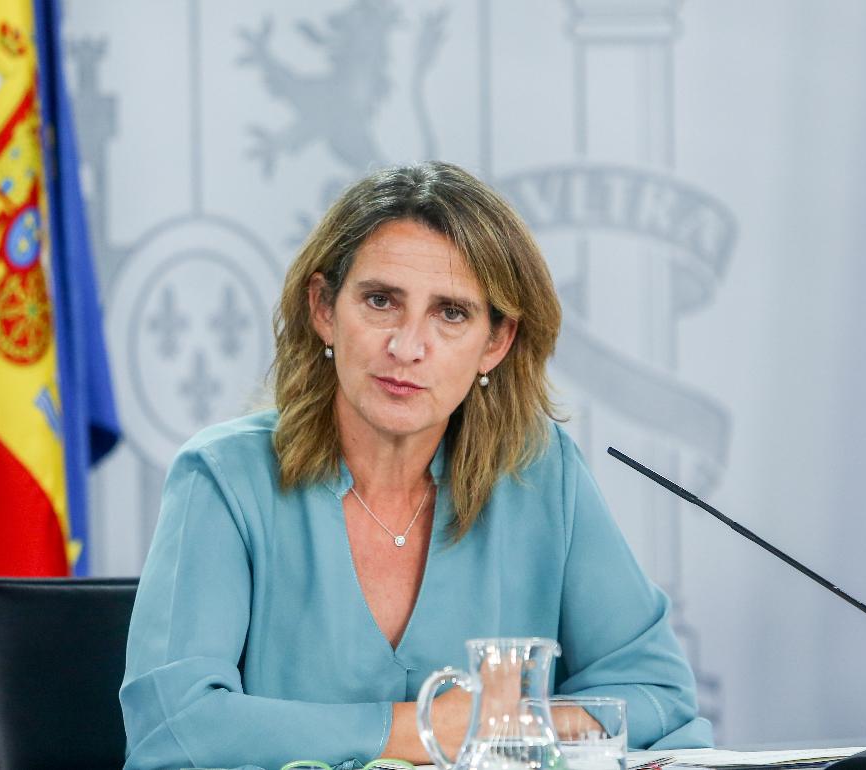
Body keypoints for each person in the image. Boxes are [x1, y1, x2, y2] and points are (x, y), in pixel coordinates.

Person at [120, 161, 712, 770]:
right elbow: (172, 730)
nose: (406, 348)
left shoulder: (540, 471)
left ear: (495, 342)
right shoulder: (223, 476)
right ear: (324, 308)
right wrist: (423, 730)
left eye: (451, 313)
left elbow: (656, 694)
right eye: (381, 301)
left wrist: (510, 724)